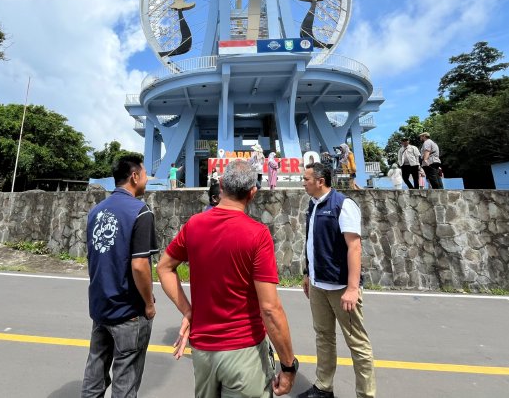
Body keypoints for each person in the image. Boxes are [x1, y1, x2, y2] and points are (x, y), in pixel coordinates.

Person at [157, 160, 298, 397]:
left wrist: (188, 311)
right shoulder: (258, 235)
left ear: (220, 184)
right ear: (253, 192)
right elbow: (271, 309)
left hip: (202, 352)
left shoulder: (193, 225)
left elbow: (163, 268)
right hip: (244, 352)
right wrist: (288, 365)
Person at [81, 155, 159, 398]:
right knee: (125, 382)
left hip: (100, 307)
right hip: (128, 312)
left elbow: (93, 257)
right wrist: (148, 304)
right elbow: (140, 266)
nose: (147, 179)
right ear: (134, 176)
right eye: (145, 174)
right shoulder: (140, 212)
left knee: (94, 377)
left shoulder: (96, 212)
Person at [299, 162, 376, 398]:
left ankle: (366, 394)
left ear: (320, 181)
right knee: (323, 336)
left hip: (341, 288)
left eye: (306, 179)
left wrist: (353, 288)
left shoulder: (343, 205)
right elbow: (312, 243)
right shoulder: (312, 206)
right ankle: (324, 387)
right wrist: (306, 273)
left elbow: (354, 246)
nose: (303, 182)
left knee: (358, 344)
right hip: (318, 285)